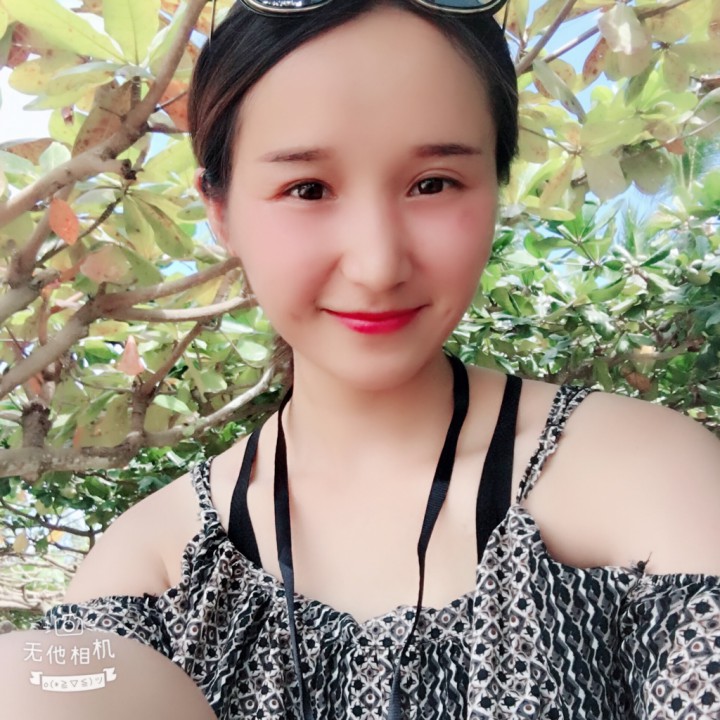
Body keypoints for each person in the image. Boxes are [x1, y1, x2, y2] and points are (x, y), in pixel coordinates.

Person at [5, 0, 720, 717]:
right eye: (307, 189)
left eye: (433, 183)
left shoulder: (649, 479)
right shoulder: (151, 570)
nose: (377, 266)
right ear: (221, 212)